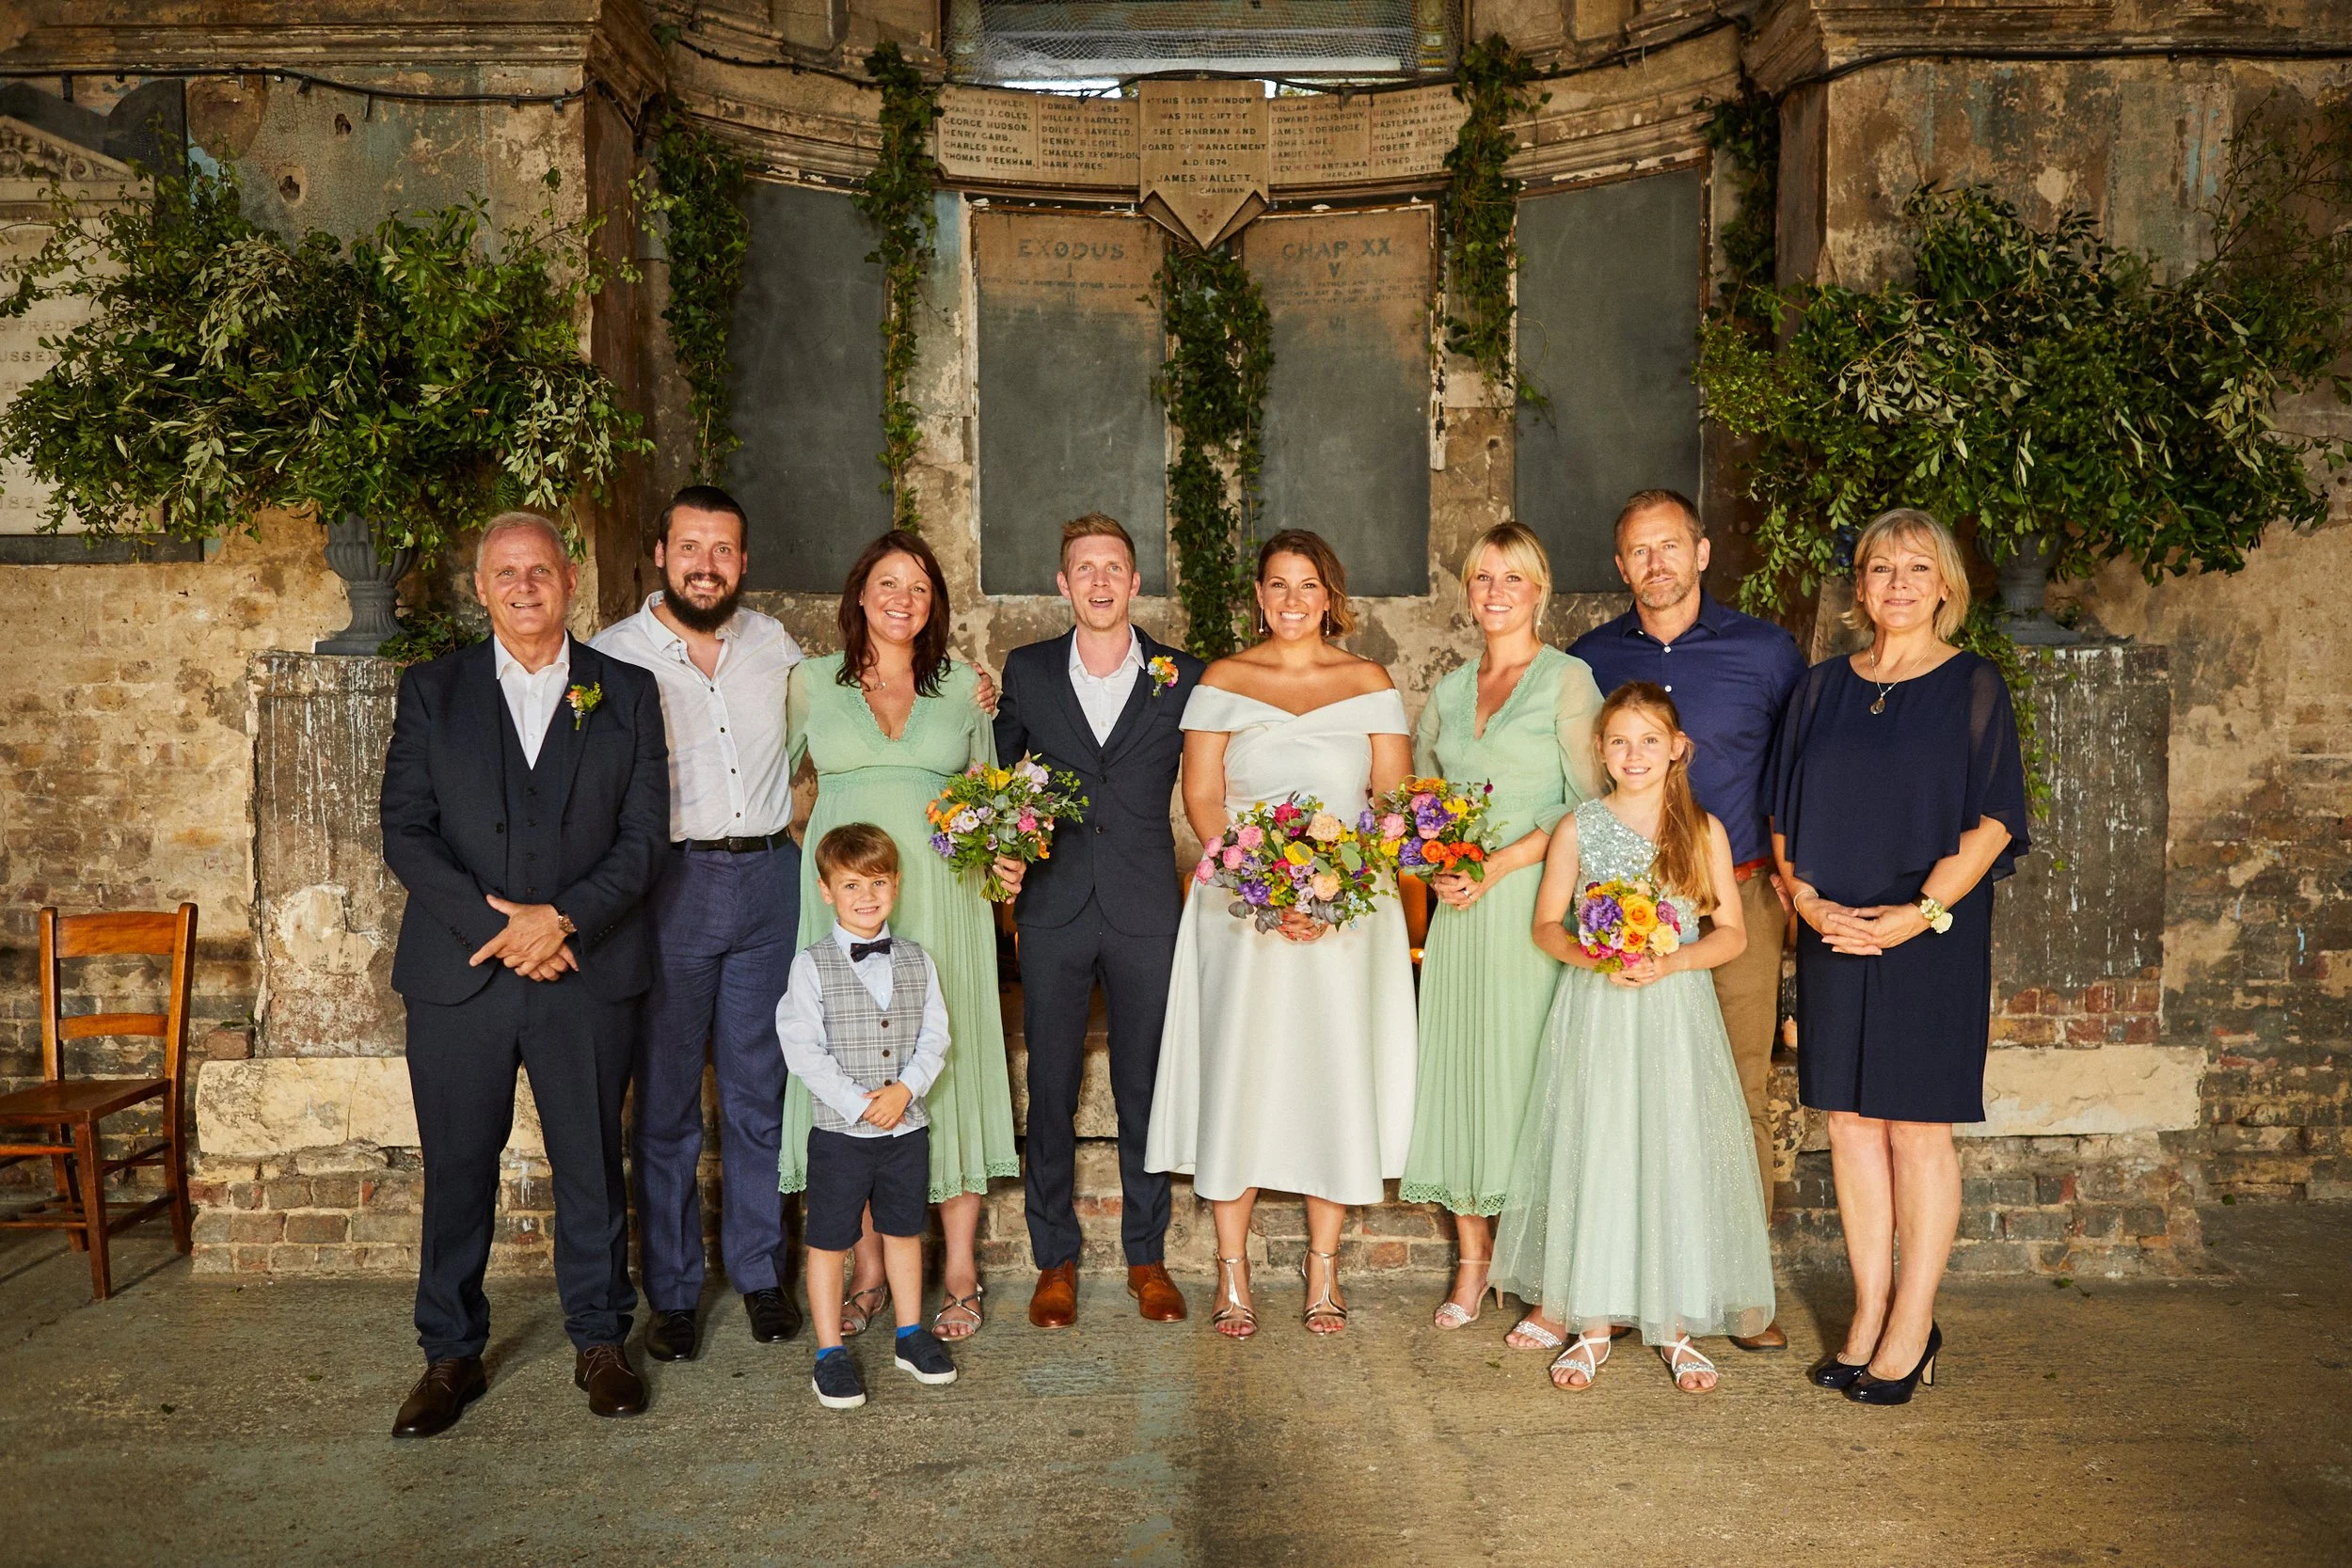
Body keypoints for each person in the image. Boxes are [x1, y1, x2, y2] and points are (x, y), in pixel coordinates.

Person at [380, 512, 669, 1434]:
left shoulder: (624, 690)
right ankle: (450, 1352)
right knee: (458, 1168)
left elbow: (644, 836)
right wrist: (498, 926)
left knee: (590, 1163)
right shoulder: (433, 689)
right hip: (459, 974)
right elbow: (405, 827)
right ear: (480, 586)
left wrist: (563, 917)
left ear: (568, 580)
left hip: (584, 966)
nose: (523, 584)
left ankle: (599, 1338)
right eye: (505, 571)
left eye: (538, 569)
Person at [1770, 508, 2028, 1405]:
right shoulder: (1820, 688)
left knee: (1916, 1127)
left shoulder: (1973, 685)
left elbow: (1994, 821)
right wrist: (1807, 904)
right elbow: (1784, 817)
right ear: (1861, 588)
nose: (1898, 584)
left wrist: (1914, 915)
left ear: (1947, 586)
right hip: (1835, 928)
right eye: (1881, 569)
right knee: (1847, 1124)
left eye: (1918, 568)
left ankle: (1914, 1325)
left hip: (1932, 936)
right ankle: (1868, 1309)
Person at [1144, 530, 1417, 1338]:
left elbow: (1391, 809)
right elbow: (1201, 798)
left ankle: (1322, 1269)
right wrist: (1263, 882)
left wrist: (1331, 891)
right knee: (1243, 1074)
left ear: (1329, 596)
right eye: (1278, 585)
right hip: (1241, 909)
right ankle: (1232, 1271)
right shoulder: (1224, 679)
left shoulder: (1368, 682)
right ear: (1258, 596)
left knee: (1332, 1074)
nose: (1293, 600)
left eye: (1308, 585)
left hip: (1345, 915)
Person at [1568, 488, 1806, 1351]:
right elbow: (1577, 788)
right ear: (1621, 564)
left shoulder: (1767, 651)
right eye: (1639, 550)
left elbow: (1796, 774)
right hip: (1621, 903)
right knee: (1624, 1094)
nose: (1656, 563)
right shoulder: (1588, 658)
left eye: (1671, 546)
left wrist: (1792, 877)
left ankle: (1741, 1294)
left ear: (1701, 554)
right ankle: (1629, 1282)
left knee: (1737, 1088)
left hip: (1733, 893)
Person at [1492, 684, 1775, 1395]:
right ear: (1601, 750)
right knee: (1603, 1143)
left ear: (1678, 747)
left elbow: (1732, 933)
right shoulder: (1580, 827)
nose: (1634, 754)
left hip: (1675, 1010)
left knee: (1671, 1144)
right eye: (1619, 740)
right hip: (1601, 1009)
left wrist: (1670, 959)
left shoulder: (1702, 829)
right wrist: (1604, 957)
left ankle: (1673, 1324)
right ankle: (1590, 1322)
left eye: (1650, 740)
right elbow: (1547, 925)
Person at [781, 529, 1019, 1342]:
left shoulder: (963, 688)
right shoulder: (811, 684)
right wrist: (818, 858)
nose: (902, 599)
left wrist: (1007, 866)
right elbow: (763, 789)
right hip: (844, 907)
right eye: (888, 582)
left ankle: (957, 1268)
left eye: (919, 587)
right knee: (850, 1056)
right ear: (859, 594)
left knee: (943, 1063)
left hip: (945, 904)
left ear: (934, 605)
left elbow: (993, 800)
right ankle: (870, 1265)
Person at [591, 484, 803, 1363]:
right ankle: (673, 1292)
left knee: (760, 1095)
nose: (706, 565)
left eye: (723, 551)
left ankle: (760, 1275)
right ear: (661, 552)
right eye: (691, 548)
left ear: (743, 562)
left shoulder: (774, 644)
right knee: (669, 1105)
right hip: (669, 887)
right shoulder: (610, 655)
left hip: (768, 881)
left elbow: (858, 696)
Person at [993, 514, 1202, 1330]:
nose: (1101, 581)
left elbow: (1221, 771)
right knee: (1050, 1086)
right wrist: (1001, 861)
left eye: (1114, 566)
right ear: (1063, 583)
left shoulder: (1184, 675)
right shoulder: (1029, 670)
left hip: (1147, 904)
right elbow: (999, 780)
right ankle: (1056, 1260)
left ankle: (1147, 1258)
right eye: (1085, 568)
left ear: (1135, 581)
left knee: (1143, 1085)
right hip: (1053, 906)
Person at [1401, 523, 1605, 1330]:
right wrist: (1436, 859)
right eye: (1481, 577)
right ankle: (1475, 1266)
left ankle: (1555, 1283)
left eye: (1511, 579)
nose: (1494, 592)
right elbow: (1419, 799)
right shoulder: (1449, 690)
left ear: (1539, 590)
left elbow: (1591, 800)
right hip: (1458, 914)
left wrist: (1502, 860)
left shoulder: (1568, 680)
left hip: (1531, 906)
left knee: (1531, 1087)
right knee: (1462, 1077)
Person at [776, 823, 961, 1410]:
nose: (866, 895)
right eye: (850, 884)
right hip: (840, 1133)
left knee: (904, 1229)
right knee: (831, 1239)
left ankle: (909, 1334)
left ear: (896, 885)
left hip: (906, 1128)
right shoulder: (810, 967)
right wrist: (860, 1103)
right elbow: (802, 1049)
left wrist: (905, 1090)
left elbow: (936, 1035)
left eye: (877, 882)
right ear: (827, 890)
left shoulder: (917, 961)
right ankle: (829, 1351)